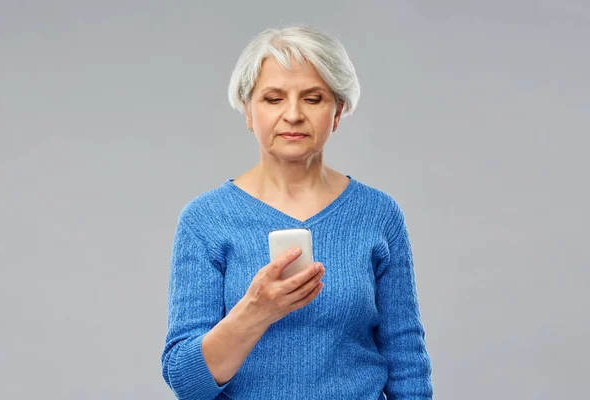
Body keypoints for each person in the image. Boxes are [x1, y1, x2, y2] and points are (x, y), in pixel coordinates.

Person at [160, 24, 433, 400]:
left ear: (338, 112)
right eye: (273, 99)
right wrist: (256, 311)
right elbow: (187, 382)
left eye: (313, 98)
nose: (292, 114)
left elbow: (406, 359)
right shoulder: (205, 220)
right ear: (248, 112)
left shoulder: (378, 213)